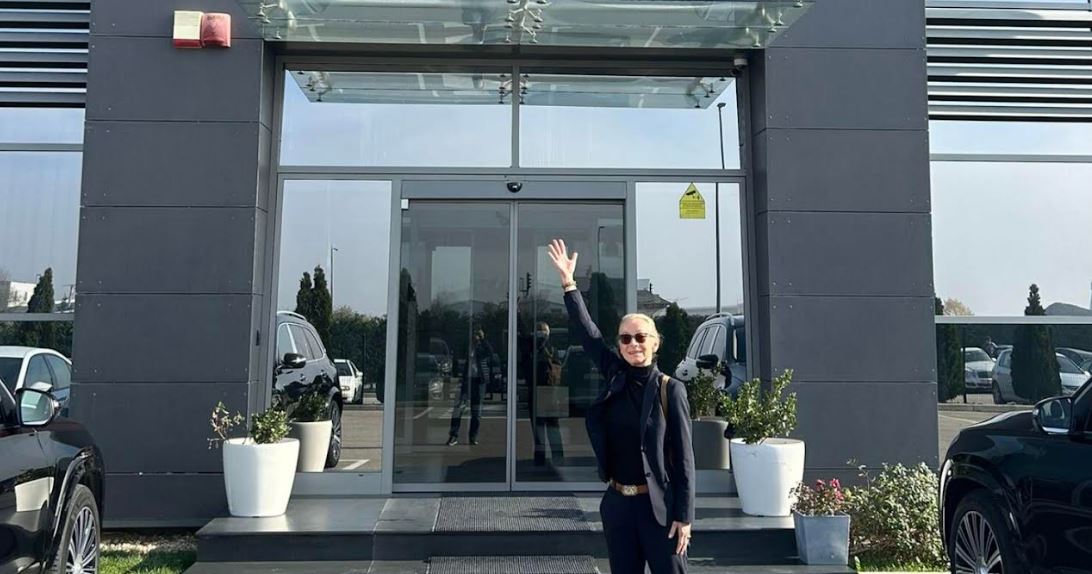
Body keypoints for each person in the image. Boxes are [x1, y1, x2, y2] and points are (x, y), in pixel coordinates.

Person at [547, 238, 695, 574]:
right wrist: (569, 284)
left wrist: (684, 516)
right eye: (626, 338)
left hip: (660, 510)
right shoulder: (615, 375)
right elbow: (589, 335)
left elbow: (685, 461)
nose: (633, 344)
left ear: (655, 344)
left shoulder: (670, 390)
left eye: (641, 337)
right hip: (618, 507)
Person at [447, 327, 498, 446]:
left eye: (477, 335)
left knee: (476, 412)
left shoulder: (482, 347)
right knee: (458, 409)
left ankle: (472, 437)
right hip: (466, 381)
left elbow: (490, 352)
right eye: (473, 334)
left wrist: (483, 339)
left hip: (479, 382)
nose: (475, 337)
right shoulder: (466, 346)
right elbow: (457, 355)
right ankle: (453, 435)